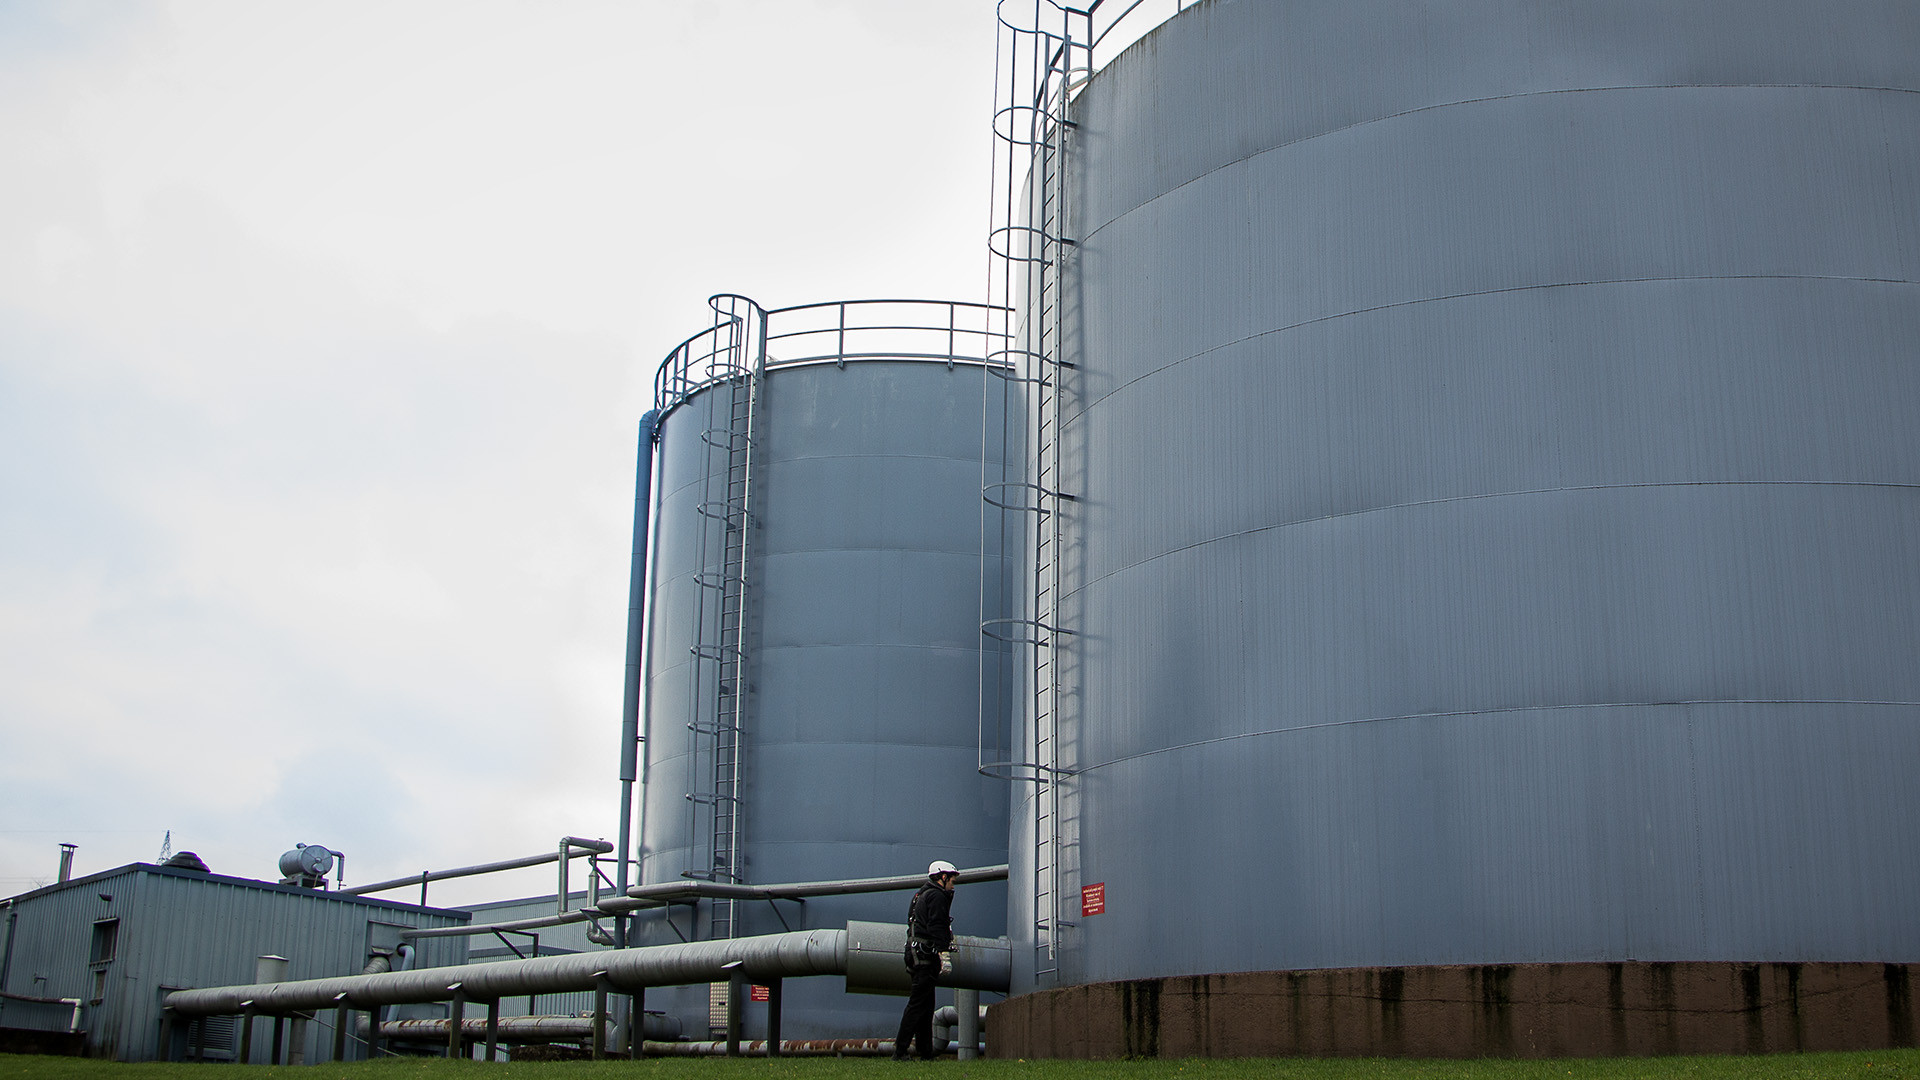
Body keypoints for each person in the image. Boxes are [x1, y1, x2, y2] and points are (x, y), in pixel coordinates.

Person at [893, 859, 958, 1060]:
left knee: (926, 1006)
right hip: (924, 956)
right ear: (943, 877)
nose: (953, 885)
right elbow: (937, 925)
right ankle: (900, 1052)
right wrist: (944, 953)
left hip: (914, 954)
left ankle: (925, 1052)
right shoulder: (937, 896)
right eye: (951, 880)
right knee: (917, 1005)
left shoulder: (920, 894)